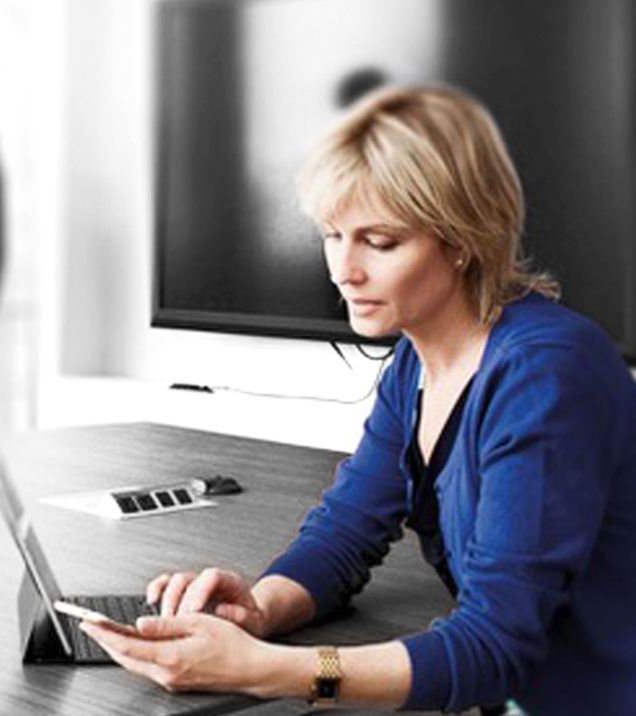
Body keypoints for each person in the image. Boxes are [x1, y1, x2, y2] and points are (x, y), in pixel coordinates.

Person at [80, 85, 636, 715]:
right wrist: (259, 610)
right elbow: (347, 531)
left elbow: (494, 646)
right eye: (332, 235)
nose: (344, 269)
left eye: (380, 241)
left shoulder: (544, 375)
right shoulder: (415, 359)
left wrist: (272, 672)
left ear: (460, 240)